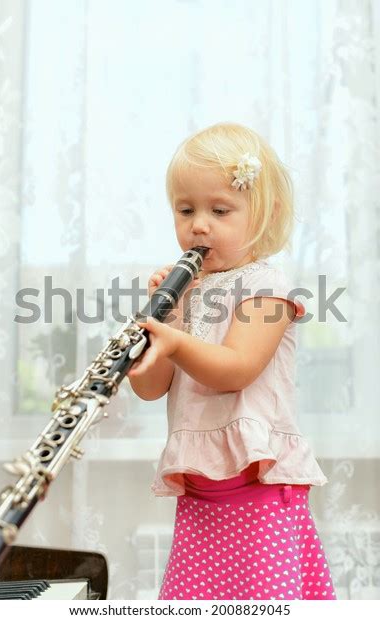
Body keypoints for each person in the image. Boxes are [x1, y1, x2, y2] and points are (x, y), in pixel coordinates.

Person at [127, 122, 336, 601]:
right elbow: (149, 387)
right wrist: (170, 320)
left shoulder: (269, 287)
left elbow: (236, 368)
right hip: (202, 495)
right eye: (185, 210)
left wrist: (175, 343)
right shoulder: (188, 289)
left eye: (219, 210)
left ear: (264, 216)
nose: (199, 225)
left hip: (259, 489)